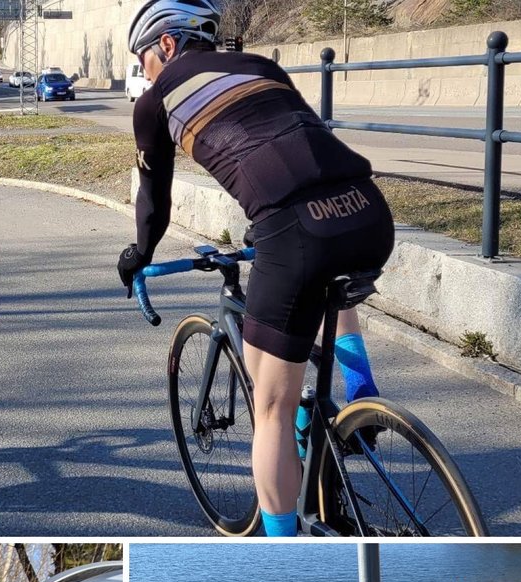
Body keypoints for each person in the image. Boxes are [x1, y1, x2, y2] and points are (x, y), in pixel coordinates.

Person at [118, 0, 395, 537]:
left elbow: (154, 198)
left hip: (296, 233)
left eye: (143, 58)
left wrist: (140, 256)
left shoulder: (155, 102)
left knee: (271, 409)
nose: (144, 71)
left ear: (167, 45)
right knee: (326, 280)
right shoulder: (261, 66)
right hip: (368, 212)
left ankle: (282, 551)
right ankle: (362, 393)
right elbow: (294, 141)